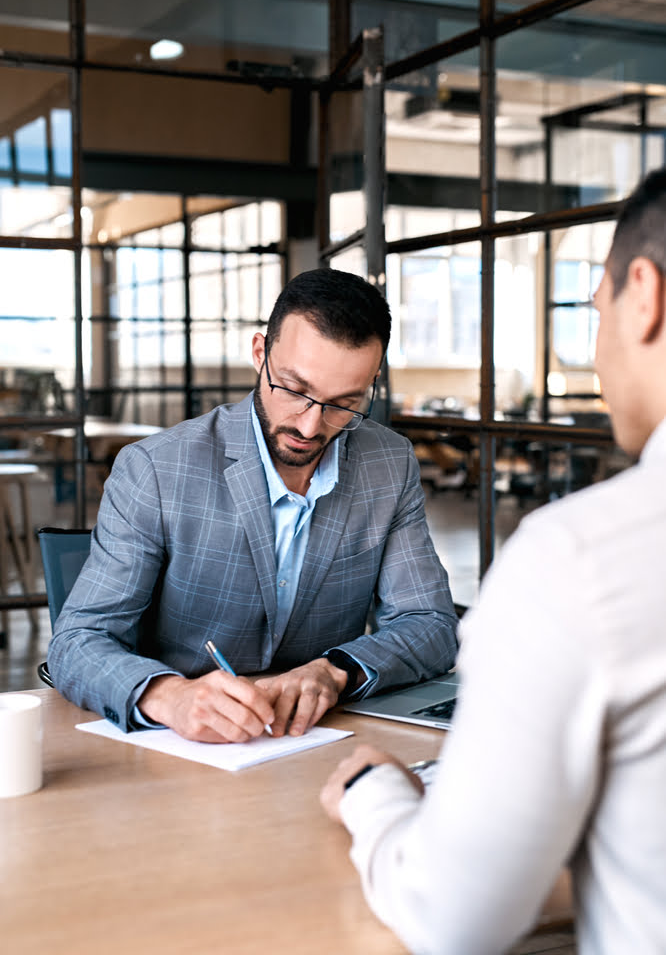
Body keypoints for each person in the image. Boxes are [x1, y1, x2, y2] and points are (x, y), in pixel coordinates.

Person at [320, 168, 666, 955]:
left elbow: (453, 919)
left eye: (596, 307)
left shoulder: (580, 562)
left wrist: (377, 797)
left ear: (643, 296)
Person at [48, 268, 458, 743]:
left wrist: (335, 671)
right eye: (293, 389)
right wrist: (169, 696)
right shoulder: (156, 469)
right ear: (260, 353)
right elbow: (77, 642)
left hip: (319, 738)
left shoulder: (388, 463)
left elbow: (430, 623)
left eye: (343, 403)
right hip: (183, 745)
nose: (310, 426)